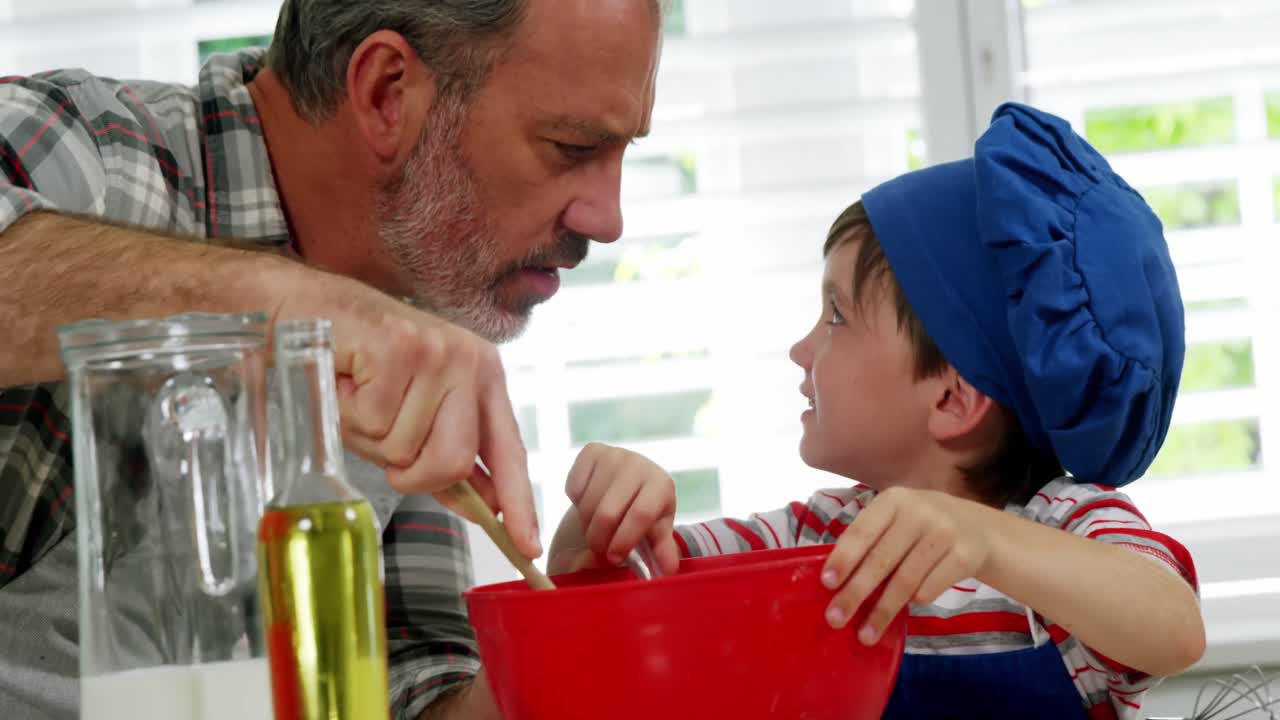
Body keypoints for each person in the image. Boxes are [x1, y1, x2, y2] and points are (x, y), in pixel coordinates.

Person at [0, 0, 663, 717]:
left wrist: (543, 653)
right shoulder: (99, 154)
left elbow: (411, 689)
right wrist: (291, 308)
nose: (609, 218)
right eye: (571, 147)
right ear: (386, 92)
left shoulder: (415, 292)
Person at [548, 103, 1206, 720]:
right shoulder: (813, 537)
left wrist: (979, 538)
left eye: (836, 316)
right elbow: (622, 599)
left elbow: (1174, 628)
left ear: (953, 397)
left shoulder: (1068, 525)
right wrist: (603, 519)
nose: (801, 349)